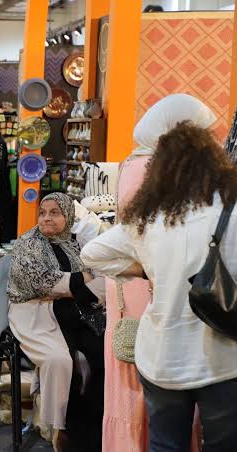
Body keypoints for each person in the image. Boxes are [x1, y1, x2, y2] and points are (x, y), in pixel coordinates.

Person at [82, 122, 237, 452]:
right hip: (222, 356)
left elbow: (92, 254)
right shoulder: (231, 211)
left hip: (162, 354)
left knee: (165, 445)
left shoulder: (148, 219)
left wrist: (144, 269)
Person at [7, 192, 105, 451]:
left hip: (73, 311)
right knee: (59, 359)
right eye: (42, 213)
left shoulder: (74, 244)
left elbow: (95, 280)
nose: (46, 218)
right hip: (33, 313)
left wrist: (71, 287)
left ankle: (93, 422)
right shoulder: (28, 243)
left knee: (103, 352)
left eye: (55, 213)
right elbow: (42, 283)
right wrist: (80, 280)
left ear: (68, 216)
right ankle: (61, 427)